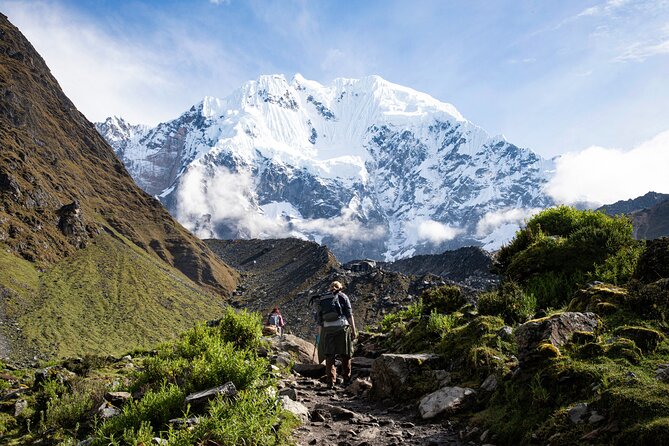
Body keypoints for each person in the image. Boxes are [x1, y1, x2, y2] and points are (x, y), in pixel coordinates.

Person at [315, 280, 357, 389]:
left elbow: (319, 319)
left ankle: (330, 381)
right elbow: (349, 314)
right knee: (345, 353)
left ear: (330, 288)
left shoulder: (323, 299)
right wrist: (353, 330)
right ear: (340, 287)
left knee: (329, 355)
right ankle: (346, 379)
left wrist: (319, 337)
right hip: (342, 327)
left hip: (328, 329)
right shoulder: (343, 296)